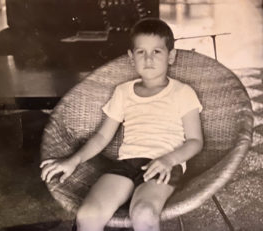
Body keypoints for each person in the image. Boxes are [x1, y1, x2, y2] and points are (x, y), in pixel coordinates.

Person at [40, 18, 203, 231]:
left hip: (163, 165)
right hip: (126, 163)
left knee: (143, 213)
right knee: (88, 214)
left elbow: (195, 141)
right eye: (140, 52)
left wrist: (169, 159)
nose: (148, 59)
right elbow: (102, 137)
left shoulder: (182, 92)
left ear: (171, 56)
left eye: (157, 52)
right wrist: (72, 161)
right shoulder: (123, 92)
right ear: (131, 57)